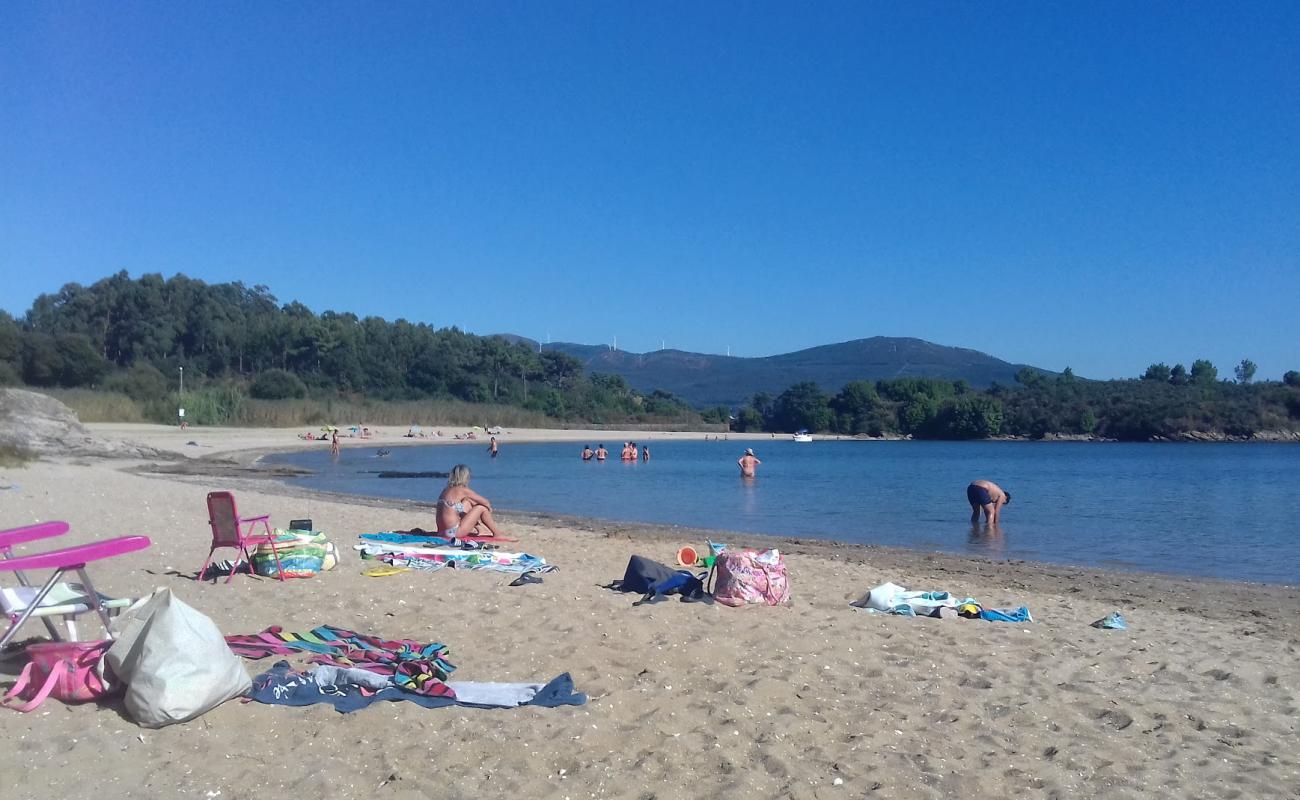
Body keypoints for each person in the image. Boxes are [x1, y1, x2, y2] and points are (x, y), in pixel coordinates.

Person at [436, 464, 505, 538]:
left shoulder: (446, 490)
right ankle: (497, 534)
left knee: (466, 502)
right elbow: (485, 502)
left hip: (441, 532)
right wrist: (488, 509)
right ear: (466, 477)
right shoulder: (462, 490)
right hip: (453, 533)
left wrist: (471, 503)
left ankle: (481, 529)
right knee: (481, 508)